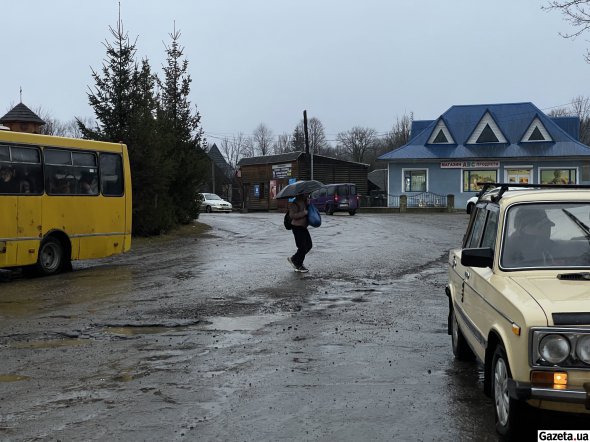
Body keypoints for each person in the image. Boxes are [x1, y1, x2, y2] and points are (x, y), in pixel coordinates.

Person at [287, 193, 312, 273]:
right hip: (296, 227)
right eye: (305, 194)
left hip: (303, 227)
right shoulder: (295, 203)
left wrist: (308, 204)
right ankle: (298, 265)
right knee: (302, 247)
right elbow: (292, 215)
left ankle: (294, 259)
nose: (307, 195)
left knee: (309, 245)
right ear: (300, 194)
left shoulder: (306, 202)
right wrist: (303, 213)